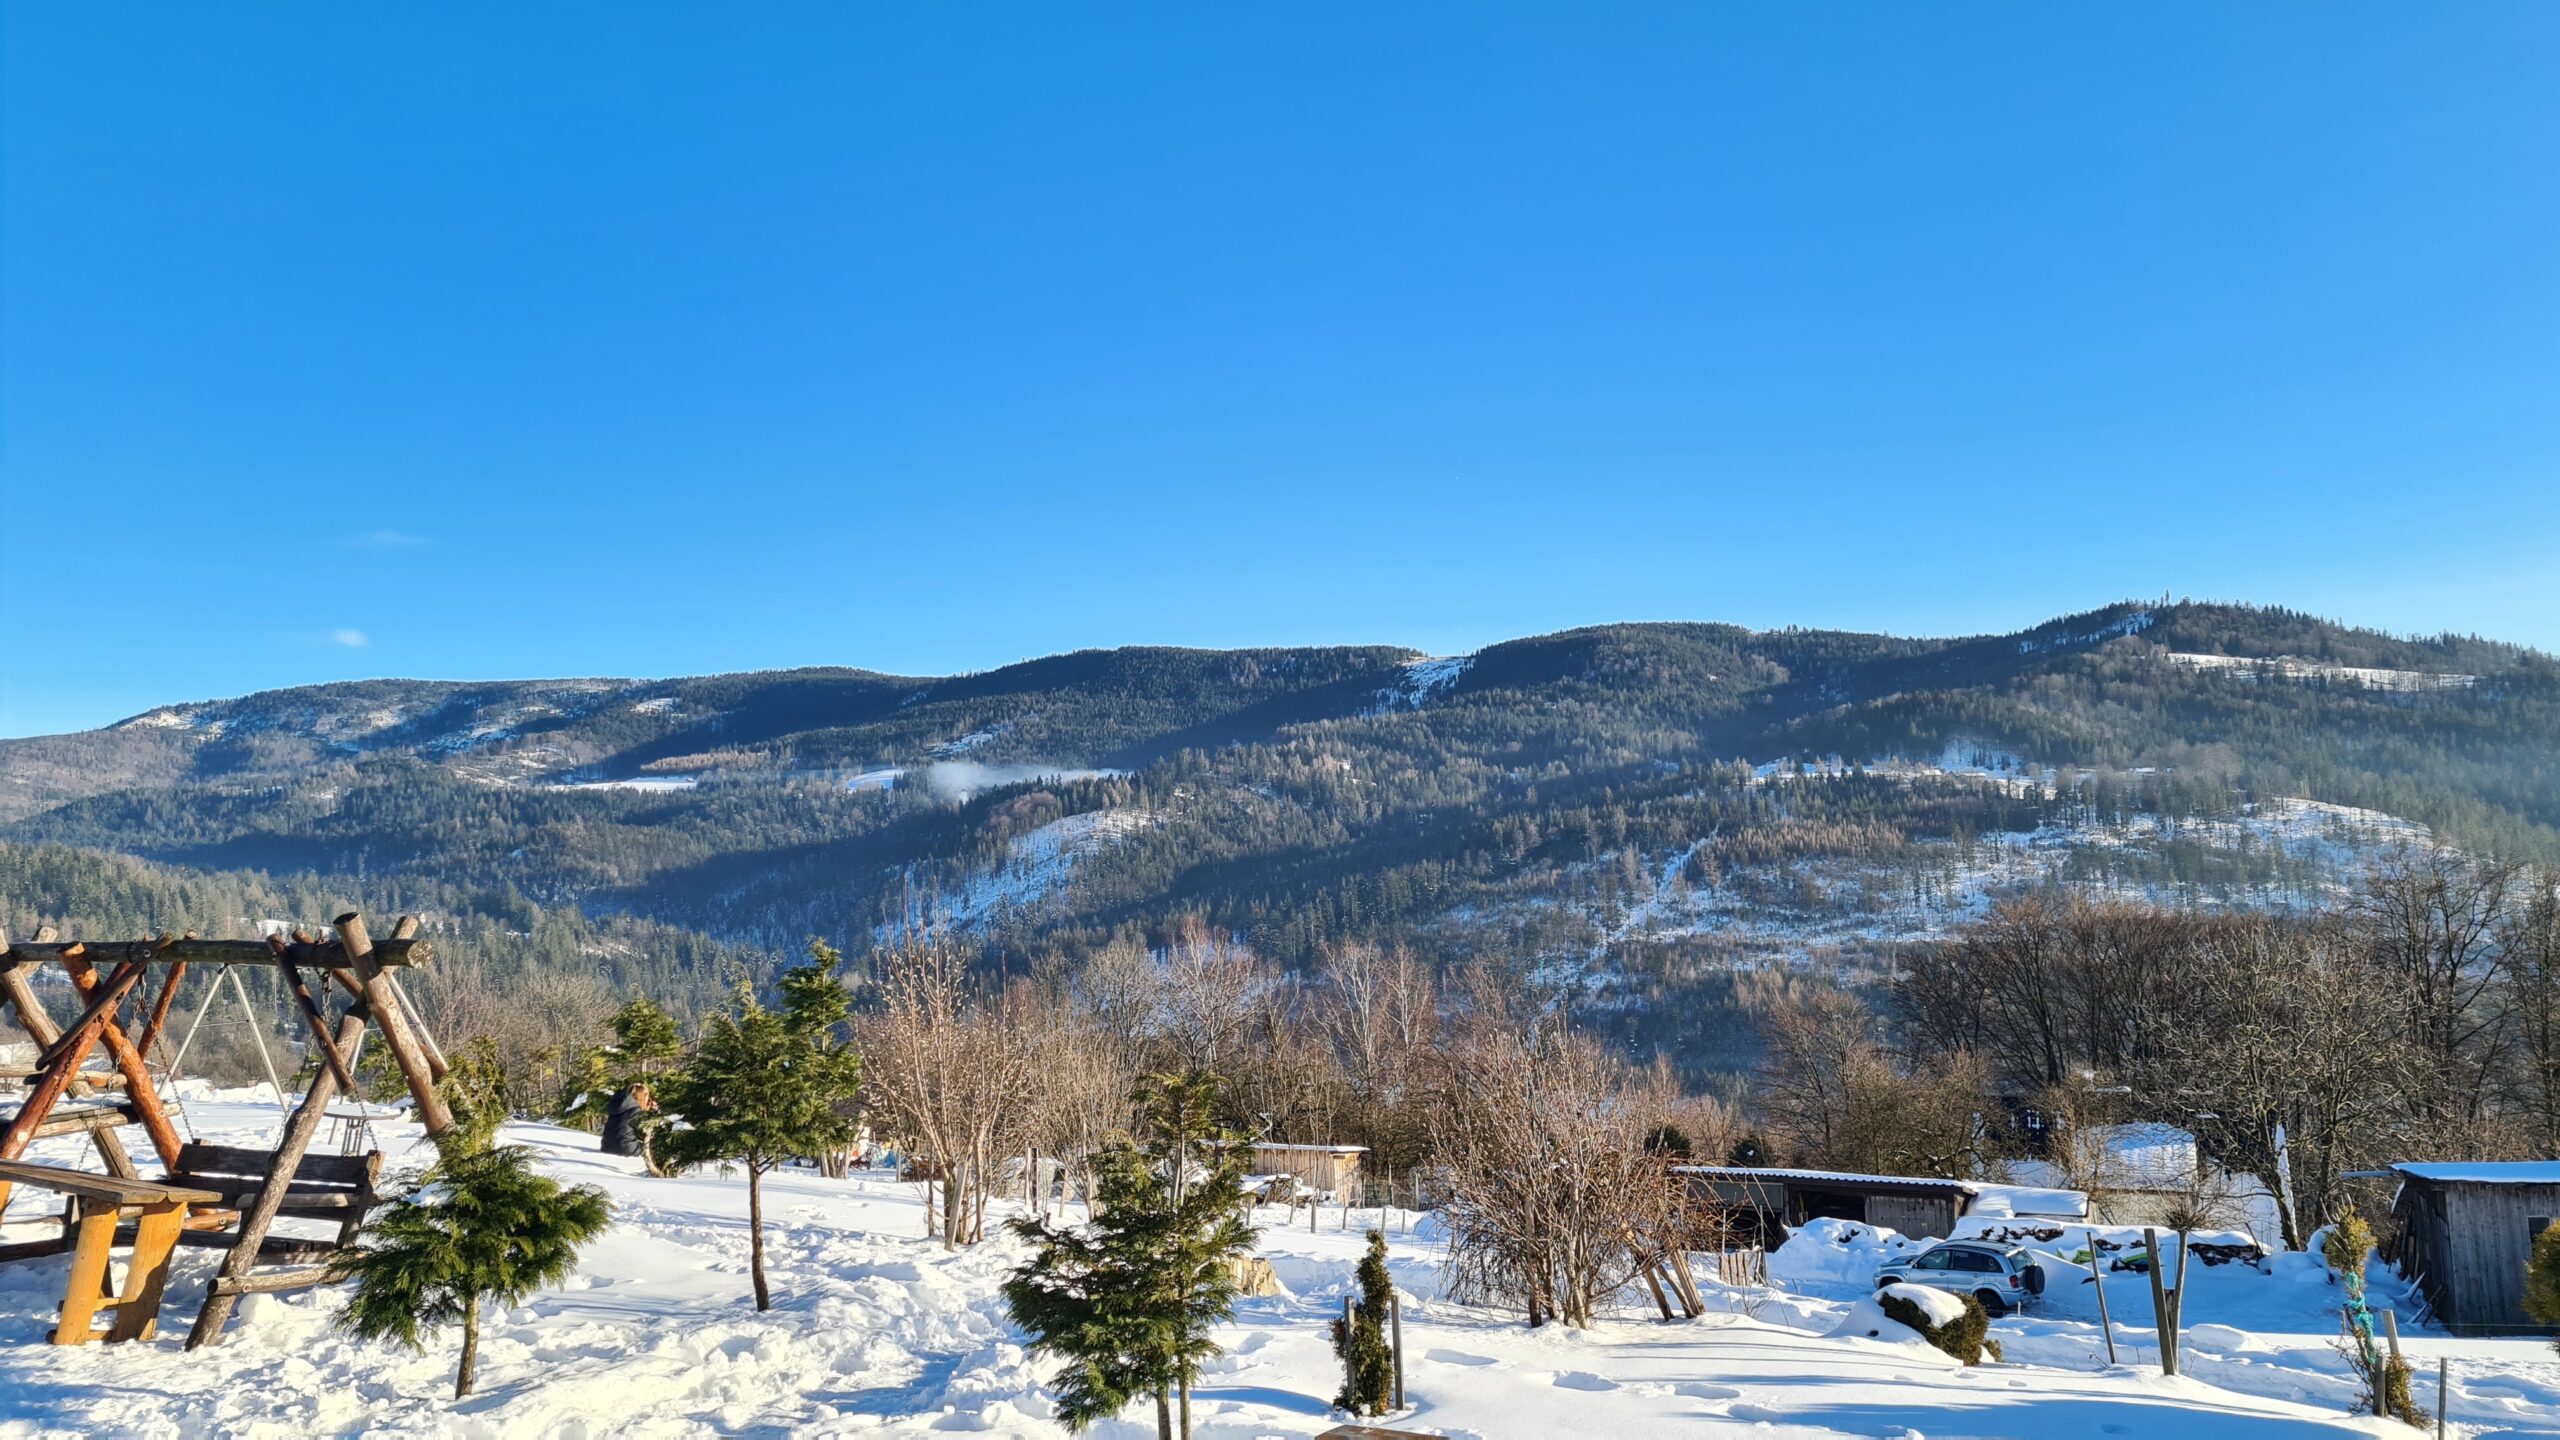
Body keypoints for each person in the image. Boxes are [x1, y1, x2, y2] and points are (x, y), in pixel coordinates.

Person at [601, 1080, 659, 1171]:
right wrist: (654, 1112)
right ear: (642, 1097)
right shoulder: (635, 1111)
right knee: (656, 1147)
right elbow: (645, 1130)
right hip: (626, 1149)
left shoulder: (617, 1106)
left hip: (607, 1146)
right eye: (647, 1097)